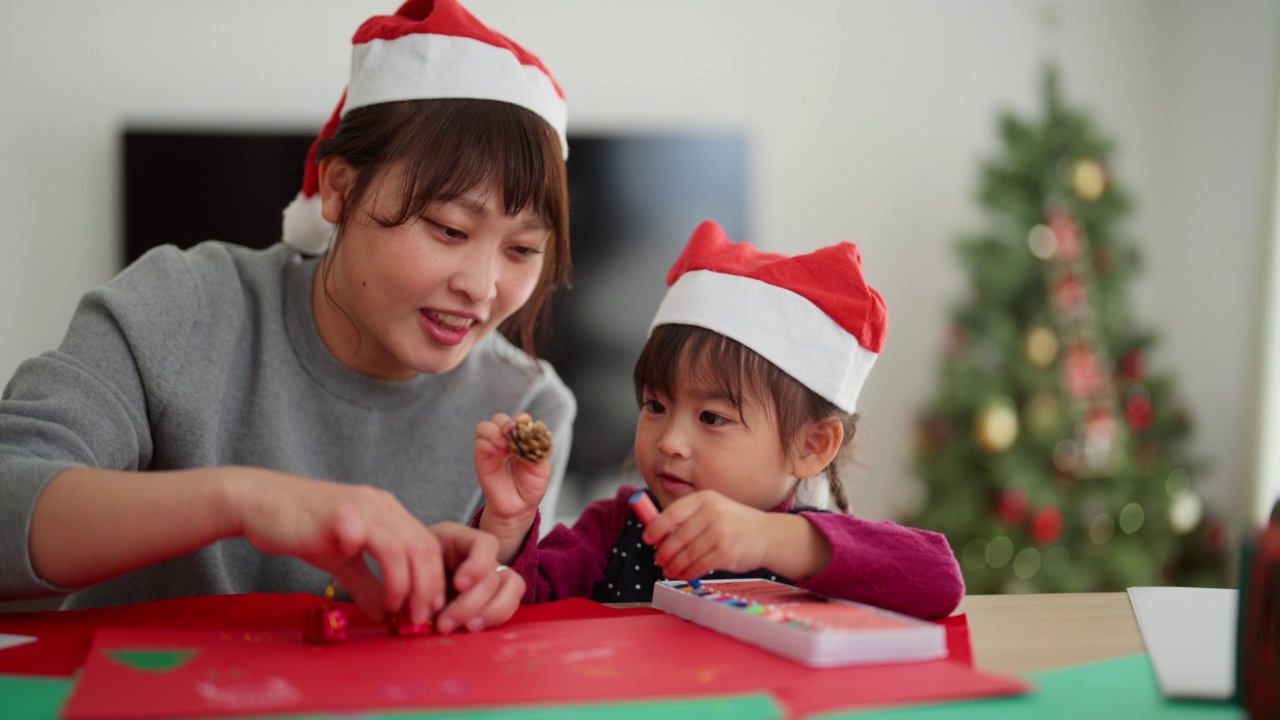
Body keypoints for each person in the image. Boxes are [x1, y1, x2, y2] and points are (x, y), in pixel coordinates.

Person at [0, 0, 576, 636]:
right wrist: (247, 501)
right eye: (448, 228)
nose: (482, 286)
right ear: (337, 189)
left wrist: (486, 563)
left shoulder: (529, 405)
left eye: (522, 249)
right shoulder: (184, 304)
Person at [475, 220, 964, 619]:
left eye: (712, 417)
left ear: (812, 446)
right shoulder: (612, 533)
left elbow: (940, 578)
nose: (671, 442)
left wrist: (768, 538)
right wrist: (509, 524)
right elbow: (513, 604)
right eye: (656, 406)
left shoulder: (816, 549)